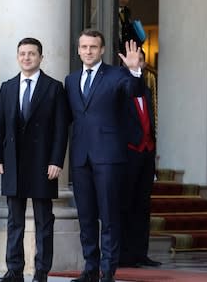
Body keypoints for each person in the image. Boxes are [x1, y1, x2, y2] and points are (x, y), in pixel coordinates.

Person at [65, 29, 143, 282]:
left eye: (93, 47)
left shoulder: (117, 75)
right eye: (84, 47)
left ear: (102, 50)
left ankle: (107, 271)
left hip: (109, 156)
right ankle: (90, 269)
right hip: (80, 158)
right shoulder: (71, 79)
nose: (88, 51)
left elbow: (135, 91)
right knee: (86, 216)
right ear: (78, 50)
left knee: (109, 216)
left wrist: (134, 70)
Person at [0, 37, 69, 282]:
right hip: (13, 163)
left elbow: (61, 129)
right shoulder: (7, 87)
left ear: (40, 57)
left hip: (43, 164)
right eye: (22, 53)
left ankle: (41, 272)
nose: (27, 58)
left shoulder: (54, 87)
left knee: (44, 221)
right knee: (14, 221)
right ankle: (14, 271)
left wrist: (56, 160)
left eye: (32, 54)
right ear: (17, 57)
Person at [119, 51, 161, 268]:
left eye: (141, 60)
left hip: (146, 154)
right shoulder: (121, 87)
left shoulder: (146, 88)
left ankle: (140, 252)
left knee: (143, 207)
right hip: (128, 153)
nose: (139, 64)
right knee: (125, 205)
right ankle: (124, 254)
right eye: (134, 60)